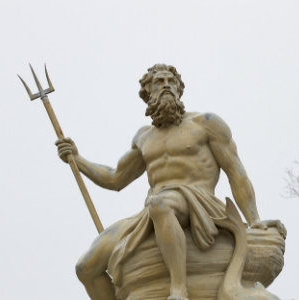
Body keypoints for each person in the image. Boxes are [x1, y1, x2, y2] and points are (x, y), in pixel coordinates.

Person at [56, 64, 275, 300]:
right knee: (86, 267)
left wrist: (254, 219)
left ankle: (178, 290)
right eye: (159, 83)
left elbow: (236, 172)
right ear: (148, 93)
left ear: (180, 90)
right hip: (153, 210)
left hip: (199, 201)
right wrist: (77, 159)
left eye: (172, 82)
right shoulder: (144, 137)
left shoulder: (206, 123)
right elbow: (115, 178)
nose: (167, 86)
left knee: (161, 204)